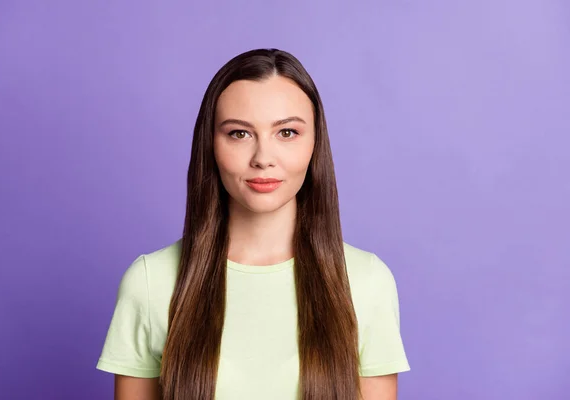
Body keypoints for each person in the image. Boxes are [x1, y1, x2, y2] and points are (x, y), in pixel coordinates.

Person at [95, 48, 410, 400]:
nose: (263, 159)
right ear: (210, 144)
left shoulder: (367, 282)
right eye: (239, 134)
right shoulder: (151, 281)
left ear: (314, 144)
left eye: (287, 132)